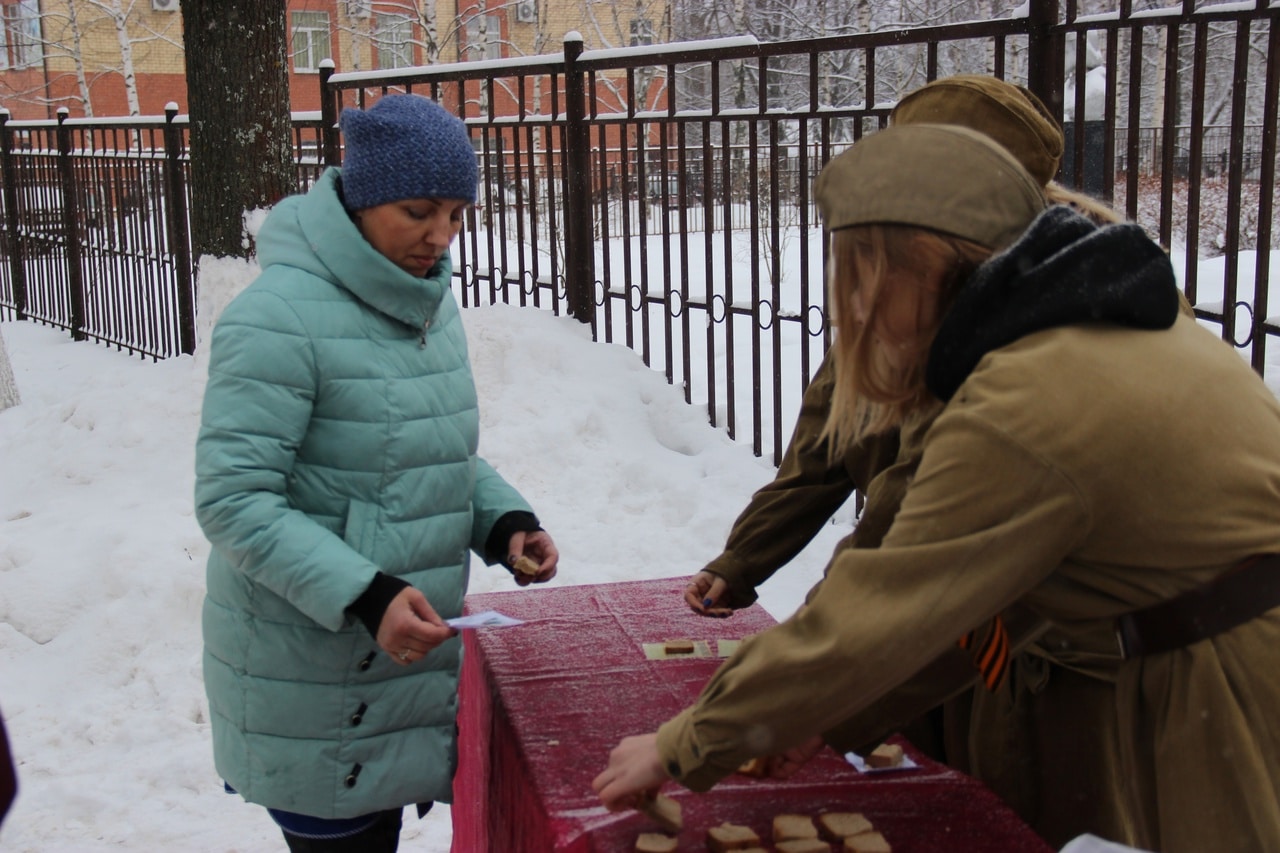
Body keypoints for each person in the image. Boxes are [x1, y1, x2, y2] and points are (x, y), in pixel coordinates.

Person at [595, 123, 1280, 853]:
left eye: (859, 281)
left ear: (918, 267)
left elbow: (886, 600)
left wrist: (684, 743)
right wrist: (821, 715)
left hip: (1218, 684)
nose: (853, 313)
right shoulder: (1069, 331)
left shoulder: (1026, 395)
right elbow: (986, 605)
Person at [679, 75, 1180, 847]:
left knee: (1014, 818)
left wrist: (791, 686)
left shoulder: (1043, 332)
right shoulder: (901, 297)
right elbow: (820, 452)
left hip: (1030, 654)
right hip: (927, 628)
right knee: (919, 807)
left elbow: (901, 532)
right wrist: (744, 559)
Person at [194, 93, 559, 853]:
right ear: (361, 200)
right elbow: (234, 501)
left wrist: (504, 521)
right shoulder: (279, 317)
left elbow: (428, 450)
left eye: (457, 213)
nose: (441, 235)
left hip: (393, 670)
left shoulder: (424, 302)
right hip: (316, 680)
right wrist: (368, 594)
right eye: (419, 210)